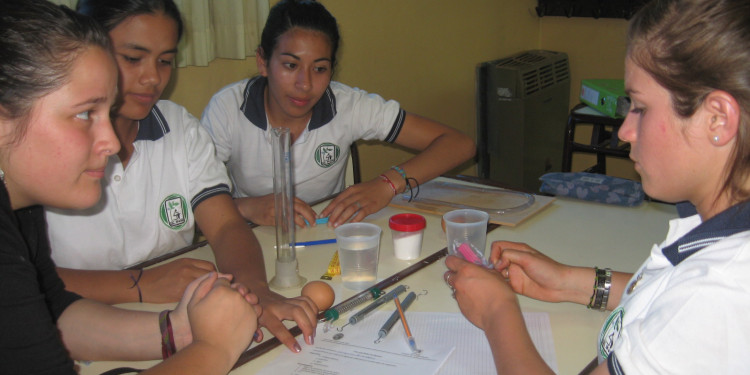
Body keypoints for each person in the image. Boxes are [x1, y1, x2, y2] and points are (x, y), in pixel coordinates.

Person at [444, 0, 750, 373]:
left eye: (639, 107)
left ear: (717, 119)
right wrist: (569, 283)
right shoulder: (723, 230)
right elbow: (667, 293)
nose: (625, 132)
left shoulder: (721, 292)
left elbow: (692, 310)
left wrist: (498, 311)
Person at [44, 0, 318, 353]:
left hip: (180, 315)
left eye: (165, 61)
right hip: (78, 324)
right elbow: (25, 278)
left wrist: (255, 290)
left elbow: (225, 226)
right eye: (132, 58)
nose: (153, 78)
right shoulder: (42, 142)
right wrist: (138, 284)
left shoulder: (179, 128)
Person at [0, 1, 259, 373]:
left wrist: (176, 331)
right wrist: (213, 350)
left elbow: (54, 307)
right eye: (86, 114)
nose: (109, 141)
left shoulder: (20, 209)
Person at [201, 0, 476, 228]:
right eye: (290, 65)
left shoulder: (346, 105)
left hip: (326, 239)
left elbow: (459, 145)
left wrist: (386, 185)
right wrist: (248, 207)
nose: (305, 84)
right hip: (252, 241)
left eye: (319, 68)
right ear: (263, 61)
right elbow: (195, 206)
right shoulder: (228, 109)